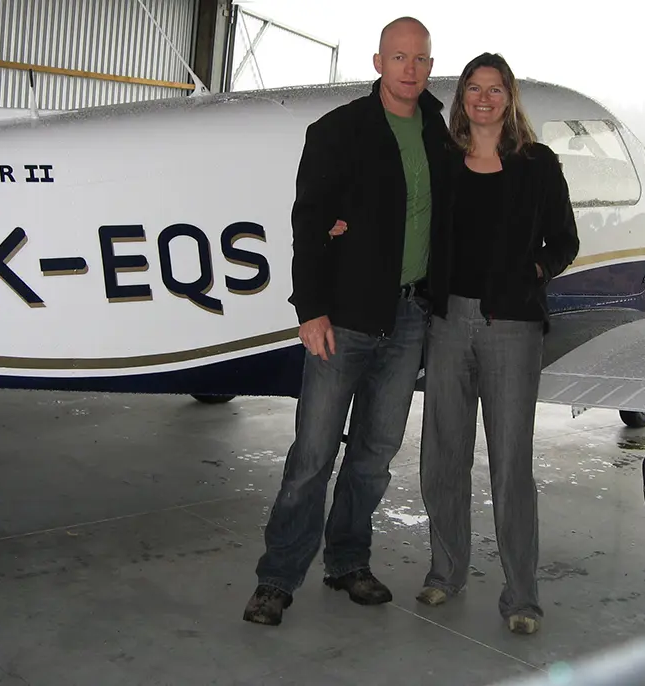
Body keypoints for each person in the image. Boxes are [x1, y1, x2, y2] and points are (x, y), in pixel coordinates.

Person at [243, 16, 454, 627]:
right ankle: (278, 577)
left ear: (429, 67)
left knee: (375, 454)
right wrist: (310, 309)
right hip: (346, 318)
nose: (410, 68)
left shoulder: (440, 134)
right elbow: (309, 222)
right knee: (312, 455)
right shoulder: (338, 130)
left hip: (411, 316)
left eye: (421, 59)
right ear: (378, 62)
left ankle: (348, 562)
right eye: (399, 57)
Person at [413, 52, 580, 635]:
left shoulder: (538, 165)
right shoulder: (444, 160)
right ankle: (446, 571)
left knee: (510, 468)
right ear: (462, 98)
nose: (484, 98)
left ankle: (521, 598)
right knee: (442, 459)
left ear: (509, 99)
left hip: (513, 329)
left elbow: (565, 239)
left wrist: (535, 270)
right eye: (474, 89)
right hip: (448, 324)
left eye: (495, 89)